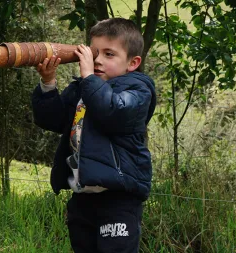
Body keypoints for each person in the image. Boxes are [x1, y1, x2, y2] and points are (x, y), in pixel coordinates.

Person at [31, 18, 156, 252]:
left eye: (109, 54)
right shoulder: (82, 88)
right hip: (83, 197)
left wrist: (88, 78)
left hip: (119, 197)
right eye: (94, 53)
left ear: (133, 62)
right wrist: (48, 83)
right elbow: (52, 119)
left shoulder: (138, 90)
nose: (97, 61)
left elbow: (113, 111)